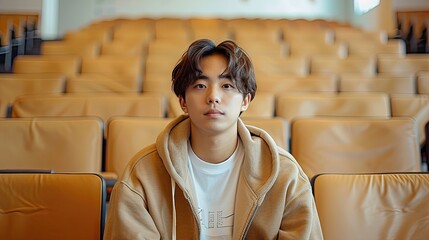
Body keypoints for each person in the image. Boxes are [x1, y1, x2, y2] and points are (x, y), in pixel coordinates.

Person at [104, 39, 323, 239]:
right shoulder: (142, 175)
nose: (213, 97)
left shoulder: (286, 175)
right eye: (200, 86)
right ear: (182, 101)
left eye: (227, 86)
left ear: (245, 101)